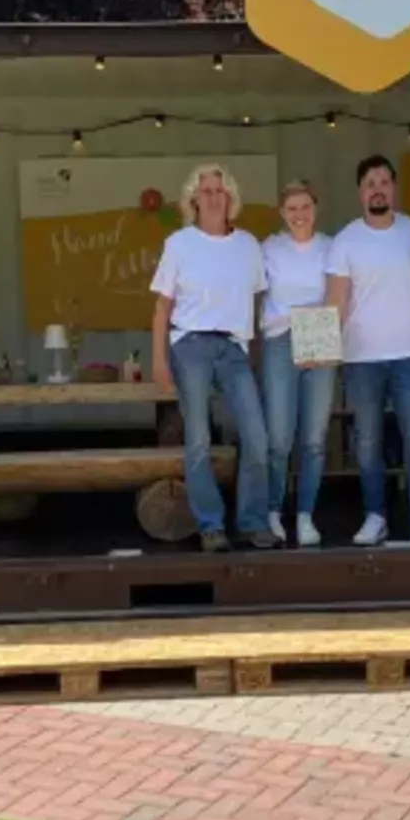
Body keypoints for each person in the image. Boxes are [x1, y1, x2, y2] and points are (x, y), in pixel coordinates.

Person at [150, 164, 276, 552]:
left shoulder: (249, 245)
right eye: (206, 191)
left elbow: (255, 305)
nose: (214, 197)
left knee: (257, 436)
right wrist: (158, 360)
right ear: (193, 199)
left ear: (231, 198)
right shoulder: (179, 243)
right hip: (191, 344)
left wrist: (253, 357)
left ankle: (253, 521)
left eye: (220, 190)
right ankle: (210, 525)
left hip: (234, 347)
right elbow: (162, 307)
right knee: (200, 437)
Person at [325, 155, 410, 548]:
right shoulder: (345, 241)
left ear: (394, 187)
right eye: (369, 183)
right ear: (360, 193)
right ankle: (375, 516)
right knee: (368, 442)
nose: (377, 188)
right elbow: (336, 303)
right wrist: (321, 349)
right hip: (361, 359)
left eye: (384, 181)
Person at [258, 181, 336, 548]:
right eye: (292, 208)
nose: (299, 215)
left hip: (319, 336)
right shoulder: (269, 249)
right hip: (279, 340)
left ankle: (305, 514)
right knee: (278, 436)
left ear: (315, 208)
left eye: (305, 206)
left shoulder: (330, 247)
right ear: (282, 213)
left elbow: (340, 293)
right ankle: (273, 509)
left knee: (315, 437)